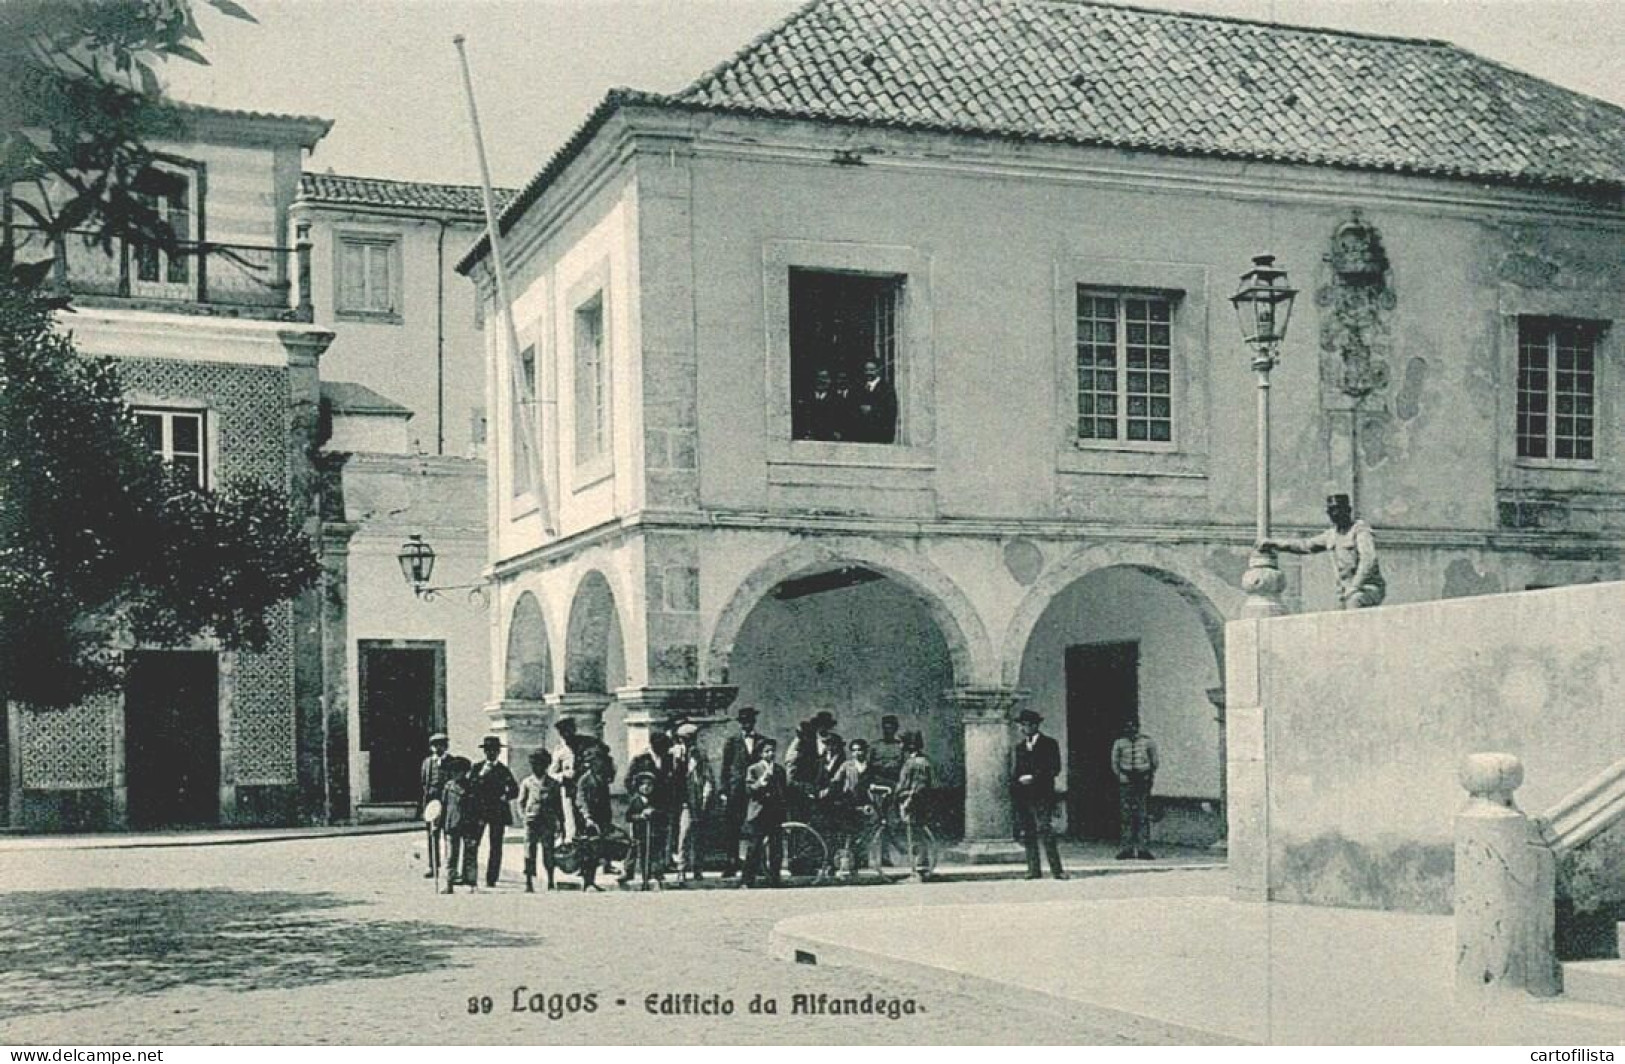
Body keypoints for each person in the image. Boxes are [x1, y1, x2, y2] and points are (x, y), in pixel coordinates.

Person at [1261, 493, 1385, 609]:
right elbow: (1305, 545)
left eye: (1339, 510)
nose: (1336, 514)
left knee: (1355, 601)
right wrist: (1275, 543)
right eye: (1332, 511)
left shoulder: (1360, 529)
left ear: (1348, 511)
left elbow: (1368, 559)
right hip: (1345, 591)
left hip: (1368, 588)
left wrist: (1355, 586)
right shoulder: (1331, 535)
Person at [1011, 709, 1066, 880]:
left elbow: (1054, 768)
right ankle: (1033, 869)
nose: (1024, 728)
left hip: (1042, 794)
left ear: (1035, 725)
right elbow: (1017, 770)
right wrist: (1017, 783)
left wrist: (1034, 778)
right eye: (1022, 725)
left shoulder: (1049, 744)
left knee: (1045, 830)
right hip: (1024, 796)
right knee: (1028, 832)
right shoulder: (1020, 747)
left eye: (1027, 725)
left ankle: (1057, 870)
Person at [467, 735, 519, 888]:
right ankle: (471, 876)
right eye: (488, 750)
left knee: (495, 846)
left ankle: (492, 878)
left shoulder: (503, 770)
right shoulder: (477, 768)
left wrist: (505, 796)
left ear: (498, 752)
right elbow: (470, 787)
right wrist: (480, 776)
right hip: (480, 812)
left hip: (497, 812)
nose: (491, 753)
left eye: (494, 751)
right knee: (473, 843)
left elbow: (514, 790)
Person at [719, 706, 765, 878]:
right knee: (733, 827)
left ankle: (756, 863)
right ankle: (731, 862)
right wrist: (724, 790)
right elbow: (725, 767)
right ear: (740, 724)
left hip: (755, 790)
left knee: (756, 826)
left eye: (750, 721)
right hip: (736, 790)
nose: (747, 724)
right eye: (744, 721)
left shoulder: (761, 741)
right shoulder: (732, 741)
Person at [670, 722, 715, 882]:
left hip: (696, 799)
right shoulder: (674, 754)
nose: (688, 743)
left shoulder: (700, 756)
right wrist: (678, 759)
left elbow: (708, 777)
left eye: (690, 739)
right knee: (684, 833)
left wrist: (705, 796)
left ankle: (697, 867)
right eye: (684, 739)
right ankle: (681, 868)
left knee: (697, 835)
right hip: (680, 800)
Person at [741, 738, 788, 888]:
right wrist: (761, 782)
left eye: (773, 751)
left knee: (776, 848)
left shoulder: (779, 770)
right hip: (758, 812)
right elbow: (749, 790)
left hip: (774, 813)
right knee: (754, 848)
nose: (771, 754)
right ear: (761, 754)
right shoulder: (753, 769)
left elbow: (782, 792)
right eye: (767, 751)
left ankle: (775, 878)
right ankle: (747, 880)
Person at [1110, 719, 1160, 860]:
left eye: (1133, 727)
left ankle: (1143, 849)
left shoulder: (1147, 742)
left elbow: (1154, 760)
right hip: (1126, 778)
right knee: (1126, 815)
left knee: (1142, 814)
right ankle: (1127, 849)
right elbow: (1115, 761)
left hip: (1142, 778)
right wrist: (1120, 775)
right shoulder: (1119, 743)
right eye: (1127, 727)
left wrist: (1148, 775)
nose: (1130, 729)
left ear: (1138, 728)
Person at [894, 731, 935, 878]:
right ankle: (918, 868)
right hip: (912, 802)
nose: (899, 745)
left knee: (916, 836)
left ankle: (920, 869)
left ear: (909, 745)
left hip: (915, 804)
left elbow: (918, 786)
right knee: (914, 835)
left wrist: (908, 802)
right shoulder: (914, 761)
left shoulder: (918, 763)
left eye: (901, 742)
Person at [517, 748, 559, 892]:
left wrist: (561, 824)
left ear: (545, 765)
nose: (536, 767)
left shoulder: (553, 784)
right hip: (532, 821)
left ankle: (551, 880)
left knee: (549, 851)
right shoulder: (527, 782)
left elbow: (558, 805)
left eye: (540, 764)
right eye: (534, 764)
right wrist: (524, 817)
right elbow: (521, 802)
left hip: (548, 822)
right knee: (529, 852)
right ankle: (529, 882)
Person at [573, 743, 613, 892]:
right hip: (588, 820)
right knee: (588, 852)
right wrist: (587, 817)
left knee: (597, 851)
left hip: (601, 818)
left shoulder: (602, 779)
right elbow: (580, 799)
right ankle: (587, 882)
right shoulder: (584, 780)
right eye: (595, 761)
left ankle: (592, 881)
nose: (598, 764)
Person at [440, 756, 478, 893]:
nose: (455, 774)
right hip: (452, 824)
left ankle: (470, 883)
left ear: (465, 772)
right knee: (451, 856)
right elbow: (443, 806)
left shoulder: (472, 786)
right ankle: (449, 883)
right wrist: (439, 823)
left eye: (459, 771)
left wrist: (477, 824)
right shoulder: (448, 787)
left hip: (469, 825)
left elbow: (477, 807)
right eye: (453, 771)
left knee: (470, 855)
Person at [623, 771, 667, 888]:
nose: (646, 787)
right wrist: (640, 816)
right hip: (640, 834)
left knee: (655, 856)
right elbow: (628, 816)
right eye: (643, 785)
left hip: (654, 834)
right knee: (642, 855)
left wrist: (654, 812)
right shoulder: (635, 801)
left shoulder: (656, 800)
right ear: (638, 787)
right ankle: (644, 877)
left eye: (649, 785)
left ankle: (656, 876)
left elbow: (664, 814)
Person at [419, 731, 453, 879]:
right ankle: (433, 866)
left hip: (447, 802)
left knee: (449, 836)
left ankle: (450, 867)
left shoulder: (452, 762)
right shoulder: (427, 763)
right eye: (435, 746)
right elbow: (424, 784)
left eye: (441, 746)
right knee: (432, 834)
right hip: (431, 803)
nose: (438, 749)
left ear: (446, 747)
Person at [850, 358, 898, 443]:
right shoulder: (858, 388)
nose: (869, 373)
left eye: (872, 370)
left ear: (878, 370)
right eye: (866, 370)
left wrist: (872, 410)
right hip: (860, 436)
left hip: (880, 435)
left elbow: (890, 412)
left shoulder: (887, 389)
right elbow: (851, 408)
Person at [795, 367, 845, 441]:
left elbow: (842, 423)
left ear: (830, 380)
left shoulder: (838, 400)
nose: (822, 381)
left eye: (825, 378)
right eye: (819, 377)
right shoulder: (806, 398)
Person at [869, 714, 905, 787]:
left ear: (895, 729)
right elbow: (868, 763)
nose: (888, 731)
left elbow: (904, 765)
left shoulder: (901, 747)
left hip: (894, 782)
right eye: (885, 728)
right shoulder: (875, 746)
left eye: (890, 728)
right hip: (877, 781)